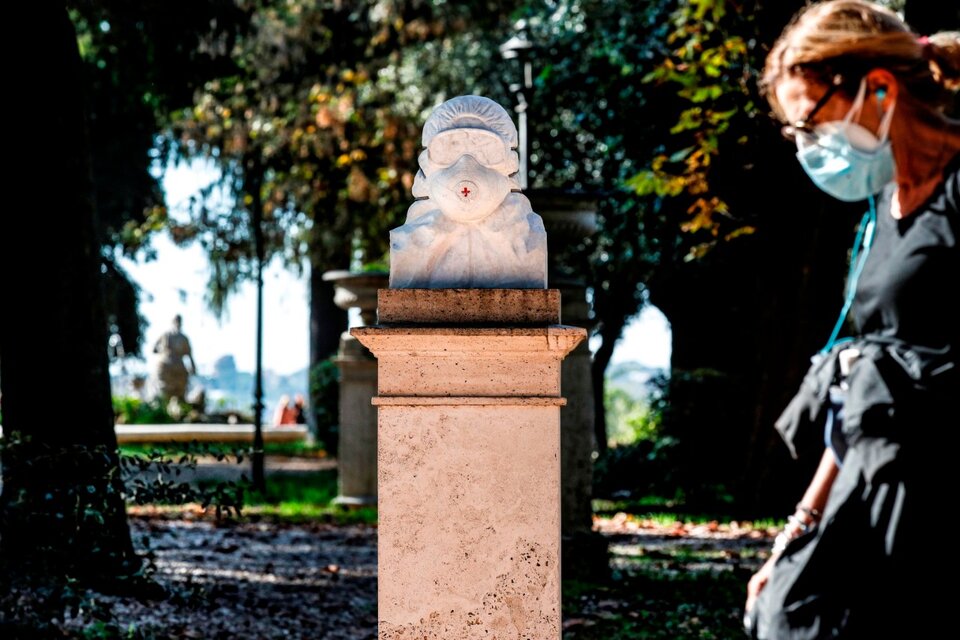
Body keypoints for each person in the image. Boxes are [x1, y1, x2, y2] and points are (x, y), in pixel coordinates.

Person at [745, 3, 959, 638]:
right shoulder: (881, 214)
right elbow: (864, 386)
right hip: (869, 481)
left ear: (879, 87)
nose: (811, 146)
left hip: (935, 497)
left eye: (812, 121)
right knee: (785, 615)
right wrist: (800, 527)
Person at [152, 314, 197, 403]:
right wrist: (193, 368)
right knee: (177, 393)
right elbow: (189, 356)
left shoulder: (166, 335)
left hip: (166, 364)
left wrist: (164, 352)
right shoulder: (183, 338)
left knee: (168, 393)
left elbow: (154, 349)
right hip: (177, 365)